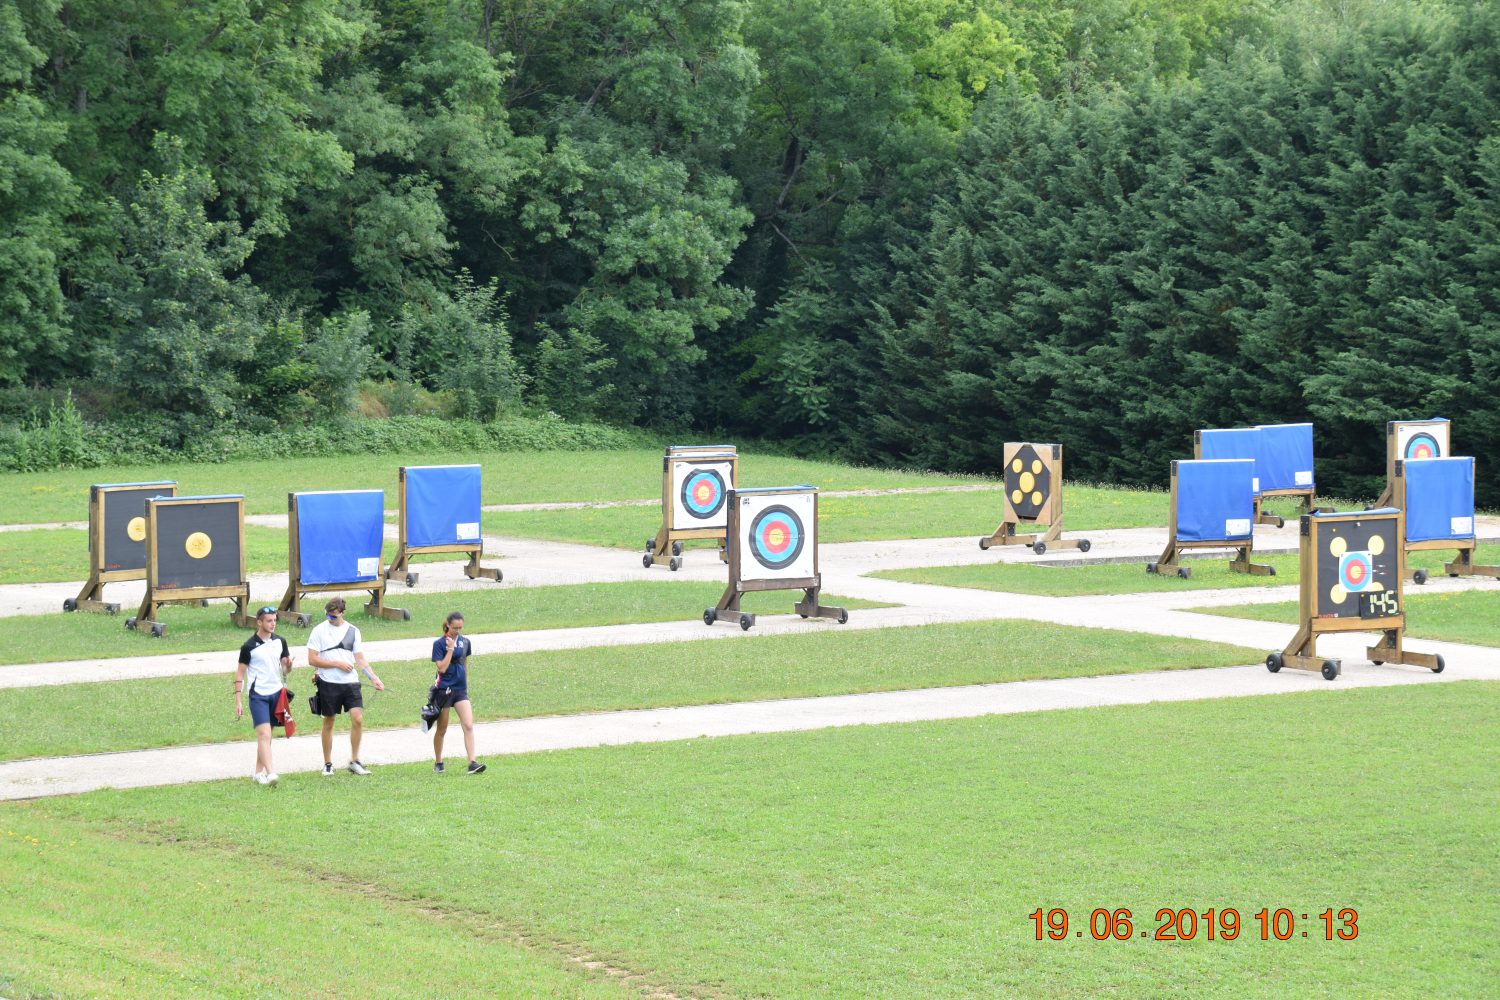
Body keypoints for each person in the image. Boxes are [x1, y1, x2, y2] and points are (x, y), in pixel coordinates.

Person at [306, 597, 386, 776]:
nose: (330, 619)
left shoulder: (353, 631)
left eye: (334, 616)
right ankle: (327, 764)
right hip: (328, 682)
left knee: (357, 719)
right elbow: (312, 659)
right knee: (329, 721)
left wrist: (374, 678)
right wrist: (337, 663)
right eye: (328, 615)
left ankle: (355, 761)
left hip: (350, 682)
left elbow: (360, 659)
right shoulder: (318, 631)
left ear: (342, 613)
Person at [234, 606, 293, 786]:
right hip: (258, 695)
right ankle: (271, 773)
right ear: (259, 622)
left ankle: (258, 773)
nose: (273, 623)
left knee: (266, 737)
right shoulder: (248, 647)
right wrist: (238, 701)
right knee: (264, 734)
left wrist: (288, 665)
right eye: (269, 620)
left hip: (276, 694)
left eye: (275, 620)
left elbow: (285, 670)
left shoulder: (281, 642)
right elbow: (240, 674)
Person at [431, 611, 484, 774]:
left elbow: (464, 662)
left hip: (460, 689)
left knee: (468, 725)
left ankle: (472, 763)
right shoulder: (439, 644)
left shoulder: (466, 642)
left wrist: (465, 683)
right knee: (442, 729)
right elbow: (442, 668)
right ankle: (439, 762)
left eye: (460, 628)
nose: (458, 631)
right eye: (455, 628)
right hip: (444, 689)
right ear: (447, 625)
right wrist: (450, 650)